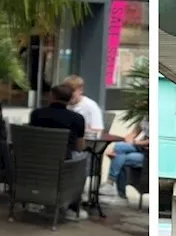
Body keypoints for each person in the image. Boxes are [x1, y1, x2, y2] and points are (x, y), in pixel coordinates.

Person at [29, 82, 90, 219]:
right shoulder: (77, 118)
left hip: (36, 161)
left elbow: (32, 138)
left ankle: (34, 201)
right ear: (69, 99)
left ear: (51, 96)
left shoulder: (36, 114)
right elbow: (80, 146)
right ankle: (72, 207)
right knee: (82, 160)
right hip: (63, 163)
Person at [105, 118, 149, 198]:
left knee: (119, 158)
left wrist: (135, 142)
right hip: (139, 147)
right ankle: (114, 188)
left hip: (148, 155)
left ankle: (111, 184)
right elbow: (133, 133)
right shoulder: (144, 117)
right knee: (119, 148)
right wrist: (129, 139)